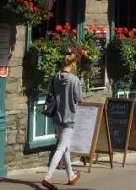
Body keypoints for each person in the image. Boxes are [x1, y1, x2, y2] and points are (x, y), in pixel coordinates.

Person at [42, 52, 83, 189]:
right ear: (73, 64)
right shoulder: (74, 79)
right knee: (61, 148)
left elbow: (51, 94)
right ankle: (48, 177)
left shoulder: (55, 77)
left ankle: (71, 175)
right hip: (69, 118)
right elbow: (79, 99)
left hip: (57, 117)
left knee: (65, 147)